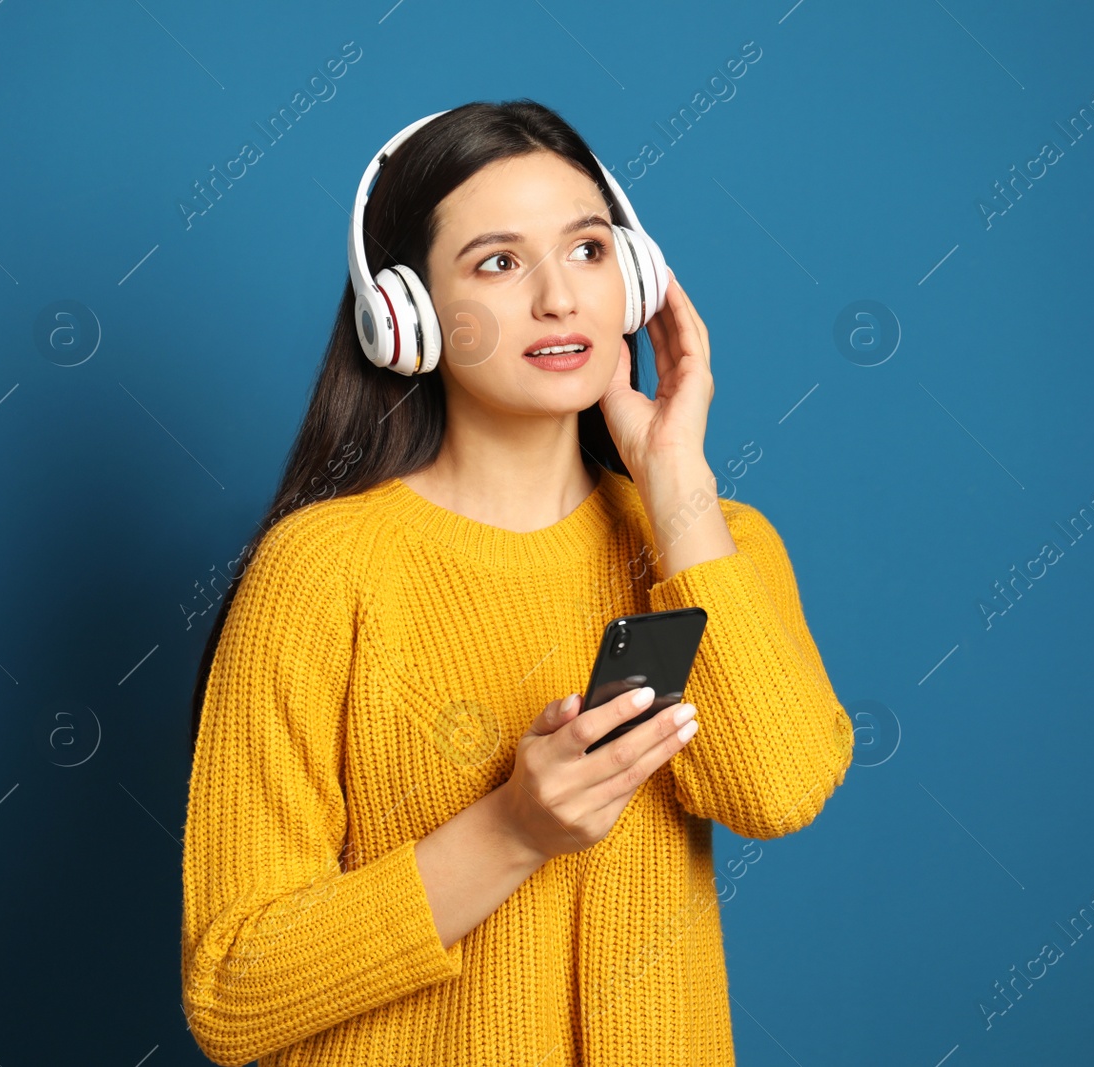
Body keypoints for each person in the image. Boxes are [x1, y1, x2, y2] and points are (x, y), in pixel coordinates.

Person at [179, 99, 852, 1067]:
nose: (558, 299)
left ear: (633, 279)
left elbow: (777, 790)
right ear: (401, 317)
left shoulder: (714, 542)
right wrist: (510, 829)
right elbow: (232, 989)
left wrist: (676, 491)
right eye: (497, 262)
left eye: (586, 251)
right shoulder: (320, 571)